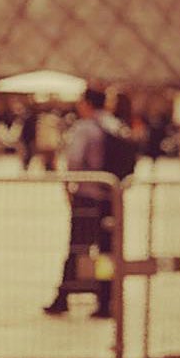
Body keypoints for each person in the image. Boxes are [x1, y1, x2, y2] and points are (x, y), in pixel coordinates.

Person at [43, 88, 137, 319]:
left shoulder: (85, 127)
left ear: (86, 103)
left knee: (77, 247)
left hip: (88, 195)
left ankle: (64, 296)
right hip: (110, 195)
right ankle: (105, 299)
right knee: (106, 251)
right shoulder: (114, 124)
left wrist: (69, 186)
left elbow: (75, 159)